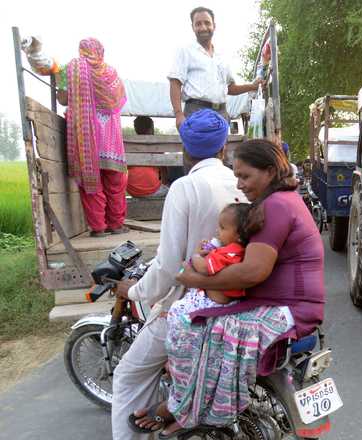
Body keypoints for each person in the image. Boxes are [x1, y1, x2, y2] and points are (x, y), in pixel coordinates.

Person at [129, 139, 326, 437]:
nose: (240, 184)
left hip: (289, 311)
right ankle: (192, 401)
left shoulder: (276, 206)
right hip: (288, 304)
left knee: (186, 321)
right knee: (204, 317)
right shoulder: (284, 199)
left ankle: (185, 407)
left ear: (270, 171)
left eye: (245, 176)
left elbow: (252, 271)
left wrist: (196, 280)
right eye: (237, 176)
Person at [111, 109, 245, 440]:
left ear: (184, 150)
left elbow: (170, 266)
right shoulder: (244, 183)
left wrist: (136, 291)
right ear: (223, 147)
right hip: (241, 298)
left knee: (129, 374)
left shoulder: (185, 187)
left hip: (193, 302)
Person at [56, 38, 129, 237]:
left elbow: (62, 99)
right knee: (115, 183)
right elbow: (119, 101)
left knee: (91, 184)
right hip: (110, 140)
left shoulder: (72, 69)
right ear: (101, 51)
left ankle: (99, 228)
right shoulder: (111, 73)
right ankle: (116, 225)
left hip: (85, 136)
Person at [168, 6, 263, 129]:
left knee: (221, 148)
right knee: (197, 147)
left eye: (207, 23)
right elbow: (175, 83)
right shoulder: (185, 51)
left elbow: (229, 88)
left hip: (221, 114)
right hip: (196, 112)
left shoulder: (222, 56)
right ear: (192, 27)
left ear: (214, 26)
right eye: (198, 24)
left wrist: (252, 86)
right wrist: (178, 114)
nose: (203, 27)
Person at [171, 202, 255, 317]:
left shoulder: (230, 252)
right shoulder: (243, 251)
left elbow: (204, 268)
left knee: (176, 311)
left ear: (239, 235)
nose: (217, 231)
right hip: (226, 302)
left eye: (222, 228)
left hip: (212, 303)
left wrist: (196, 255)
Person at [126, 116, 169, 198]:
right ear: (151, 128)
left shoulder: (131, 146)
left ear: (136, 129)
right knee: (170, 189)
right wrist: (163, 185)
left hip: (132, 190)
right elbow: (164, 172)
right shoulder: (156, 147)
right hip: (153, 190)